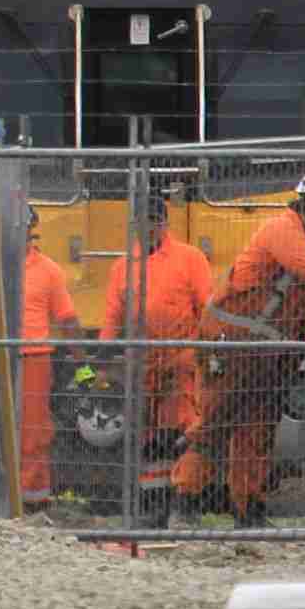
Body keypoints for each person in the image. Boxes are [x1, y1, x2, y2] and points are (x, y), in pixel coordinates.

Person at [200, 171, 305, 528]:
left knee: (258, 424)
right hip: (235, 340)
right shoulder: (286, 230)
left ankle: (250, 506)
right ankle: (186, 498)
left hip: (261, 346)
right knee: (218, 418)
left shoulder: (301, 234)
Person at [94, 187, 222, 526]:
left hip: (181, 362)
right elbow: (112, 317)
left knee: (184, 433)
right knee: (147, 438)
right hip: (142, 365)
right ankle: (151, 507)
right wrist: (104, 364)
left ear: (163, 223)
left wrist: (201, 354)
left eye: (154, 221)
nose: (148, 228)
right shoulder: (123, 267)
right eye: (141, 221)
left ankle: (184, 505)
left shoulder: (190, 258)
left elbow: (207, 308)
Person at [16, 236, 84, 503]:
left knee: (33, 430)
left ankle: (32, 498)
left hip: (34, 358)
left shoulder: (49, 270)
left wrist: (85, 369)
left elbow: (67, 319)